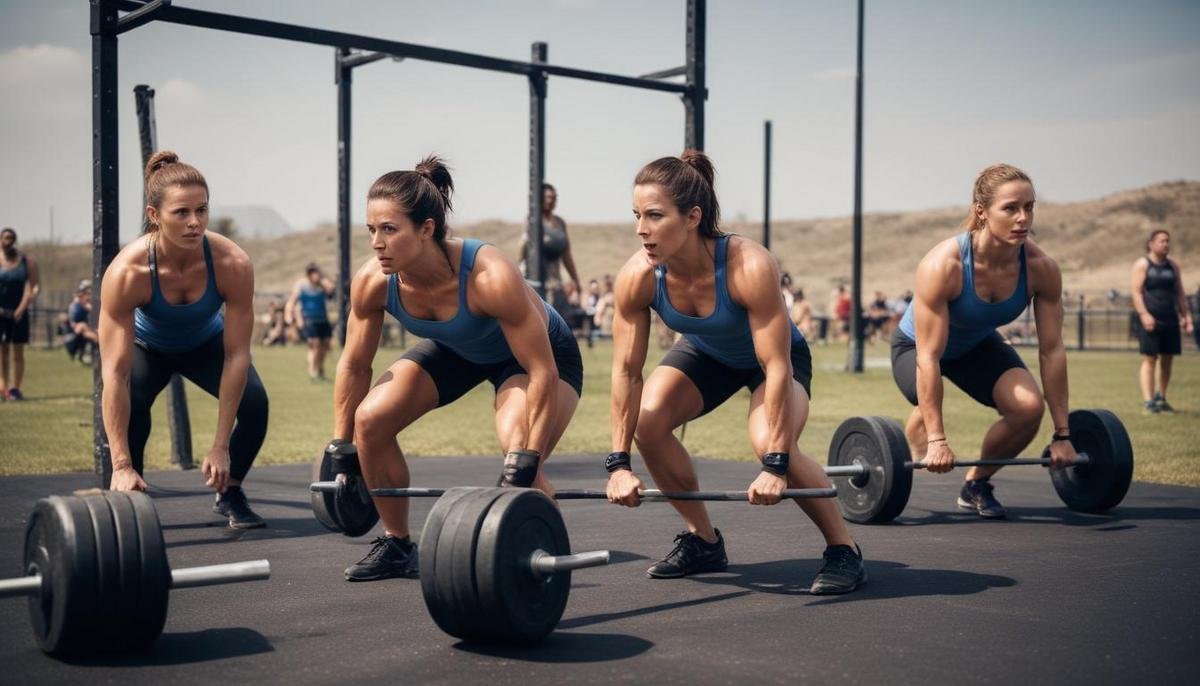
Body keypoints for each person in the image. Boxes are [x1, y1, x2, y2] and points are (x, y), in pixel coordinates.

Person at [605, 150, 865, 594]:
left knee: (770, 442)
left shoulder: (749, 265)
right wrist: (618, 464)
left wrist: (776, 464)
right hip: (706, 353)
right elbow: (627, 372)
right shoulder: (638, 276)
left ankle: (844, 549)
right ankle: (703, 540)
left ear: (692, 217)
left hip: (775, 361)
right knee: (647, 424)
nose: (641, 229)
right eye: (636, 215)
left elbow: (776, 365)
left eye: (654, 215)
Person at [333, 156, 583, 582]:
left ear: (426, 229)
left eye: (389, 229)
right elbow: (355, 365)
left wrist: (529, 459)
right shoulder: (374, 281)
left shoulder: (488, 275)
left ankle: (545, 562)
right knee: (369, 420)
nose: (377, 243)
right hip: (458, 348)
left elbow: (541, 370)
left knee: (518, 446)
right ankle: (397, 544)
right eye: (371, 229)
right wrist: (340, 448)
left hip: (537, 357)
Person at [890, 163, 1078, 519]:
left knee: (1028, 409)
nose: (1023, 218)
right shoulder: (943, 265)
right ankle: (920, 422)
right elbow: (928, 357)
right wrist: (937, 440)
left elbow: (1052, 351)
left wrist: (1063, 435)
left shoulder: (1041, 268)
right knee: (927, 396)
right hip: (916, 347)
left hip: (974, 345)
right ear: (982, 211)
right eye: (1010, 208)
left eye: (1029, 207)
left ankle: (976, 483)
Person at [98, 151, 268, 529]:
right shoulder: (127, 272)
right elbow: (115, 375)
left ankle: (230, 493)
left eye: (202, 210)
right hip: (147, 347)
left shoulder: (232, 263)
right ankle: (131, 492)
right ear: (154, 215)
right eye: (181, 212)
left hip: (205, 343)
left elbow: (237, 355)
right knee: (134, 401)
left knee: (255, 404)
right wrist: (120, 463)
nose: (195, 222)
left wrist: (220, 446)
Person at [1130, 229, 1193, 413]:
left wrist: (1186, 317)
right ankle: (1149, 402)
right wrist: (1144, 314)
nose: (1166, 244)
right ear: (1151, 244)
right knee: (1150, 358)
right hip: (1150, 318)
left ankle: (1161, 398)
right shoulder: (1143, 264)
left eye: (1167, 241)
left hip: (1170, 317)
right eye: (1162, 241)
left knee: (1167, 359)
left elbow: (1180, 293)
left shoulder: (1173, 266)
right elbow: (1136, 292)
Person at [520, 183, 581, 315]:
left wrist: (575, 280)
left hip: (555, 280)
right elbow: (523, 248)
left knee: (559, 317)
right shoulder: (533, 220)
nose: (550, 201)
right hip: (537, 279)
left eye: (553, 198)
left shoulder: (560, 222)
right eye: (547, 197)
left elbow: (567, 255)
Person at [0, 227, 39, 400]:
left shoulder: (26, 261)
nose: (8, 241)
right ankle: (3, 388)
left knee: (18, 351)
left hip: (19, 314)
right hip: (1, 313)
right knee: (3, 351)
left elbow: (33, 287)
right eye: (5, 238)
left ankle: (16, 389)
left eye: (11, 238)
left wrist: (22, 308)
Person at [286, 263, 336, 380]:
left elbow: (332, 290)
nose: (315, 275)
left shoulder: (322, 285)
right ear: (308, 274)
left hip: (323, 319)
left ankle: (320, 368)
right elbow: (292, 300)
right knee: (314, 344)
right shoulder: (302, 285)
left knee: (326, 345)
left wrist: (324, 280)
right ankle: (312, 371)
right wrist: (288, 314)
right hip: (309, 319)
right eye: (313, 273)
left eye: (317, 272)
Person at [64, 279, 99, 363]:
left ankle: (94, 350)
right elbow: (75, 326)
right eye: (87, 293)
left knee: (88, 330)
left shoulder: (81, 304)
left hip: (79, 334)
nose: (89, 296)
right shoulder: (77, 305)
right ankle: (98, 344)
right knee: (83, 327)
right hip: (72, 338)